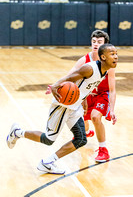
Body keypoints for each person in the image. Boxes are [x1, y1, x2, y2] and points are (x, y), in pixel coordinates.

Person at [6, 44, 118, 174]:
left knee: (81, 139)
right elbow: (70, 77)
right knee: (48, 139)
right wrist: (55, 85)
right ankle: (17, 132)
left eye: (116, 53)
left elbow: (86, 85)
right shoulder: (90, 68)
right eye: (112, 54)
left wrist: (84, 101)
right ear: (103, 57)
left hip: (75, 107)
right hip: (64, 105)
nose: (116, 56)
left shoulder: (104, 71)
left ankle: (47, 162)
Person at [69, 30, 117, 162]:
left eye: (99, 42)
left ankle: (103, 149)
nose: (95, 44)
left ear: (105, 45)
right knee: (81, 120)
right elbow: (70, 76)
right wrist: (57, 85)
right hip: (87, 94)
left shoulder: (109, 63)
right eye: (94, 41)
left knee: (95, 117)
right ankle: (86, 132)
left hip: (102, 94)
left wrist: (112, 109)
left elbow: (112, 89)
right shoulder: (85, 59)